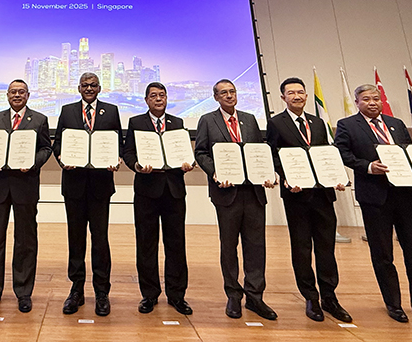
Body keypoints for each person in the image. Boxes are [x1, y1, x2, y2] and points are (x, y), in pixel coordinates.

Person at [334, 83, 412, 325]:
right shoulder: (347, 125)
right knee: (383, 254)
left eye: (376, 98)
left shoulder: (396, 124)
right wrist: (368, 167)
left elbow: (410, 153)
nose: (372, 103)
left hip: (407, 196)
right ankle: (394, 304)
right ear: (357, 102)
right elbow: (342, 154)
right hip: (375, 198)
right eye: (366, 99)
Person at [266, 77, 352, 323]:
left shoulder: (318, 122)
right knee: (302, 248)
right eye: (291, 93)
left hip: (323, 194)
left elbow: (328, 154)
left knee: (326, 248)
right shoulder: (275, 123)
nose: (297, 96)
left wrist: (337, 176)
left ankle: (330, 297)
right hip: (296, 195)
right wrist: (284, 176)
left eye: (300, 92)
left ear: (305, 96)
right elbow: (273, 155)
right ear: (283, 97)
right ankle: (310, 297)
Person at [194, 79, 277, 320]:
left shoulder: (250, 119)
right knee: (229, 246)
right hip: (226, 192)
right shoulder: (207, 120)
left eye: (232, 92)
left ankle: (255, 297)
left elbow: (261, 152)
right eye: (223, 93)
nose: (229, 96)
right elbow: (201, 152)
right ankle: (233, 295)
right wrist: (215, 172)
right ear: (216, 97)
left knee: (256, 245)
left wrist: (268, 173)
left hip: (253, 192)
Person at [0, 79, 52, 313]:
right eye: (13, 92)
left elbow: (46, 148)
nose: (17, 95)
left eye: (21, 92)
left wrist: (32, 163)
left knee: (25, 241)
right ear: (7, 95)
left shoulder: (39, 119)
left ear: (28, 95)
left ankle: (23, 292)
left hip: (25, 185)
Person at [53, 72, 122, 316]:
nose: (89, 89)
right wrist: (62, 159)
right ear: (79, 88)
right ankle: (77, 290)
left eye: (93, 85)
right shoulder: (68, 110)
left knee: (101, 240)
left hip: (101, 184)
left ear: (100, 88)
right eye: (85, 85)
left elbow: (118, 144)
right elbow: (58, 143)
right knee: (76, 239)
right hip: (74, 184)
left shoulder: (111, 111)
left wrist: (116, 159)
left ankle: (102, 292)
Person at [122, 82, 193, 315]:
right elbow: (128, 152)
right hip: (146, 190)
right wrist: (136, 165)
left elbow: (183, 152)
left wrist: (187, 164)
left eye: (162, 95)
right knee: (146, 244)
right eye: (153, 96)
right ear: (146, 100)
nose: (158, 99)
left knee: (176, 244)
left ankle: (177, 295)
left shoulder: (178, 123)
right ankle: (149, 295)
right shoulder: (136, 123)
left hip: (173, 190)